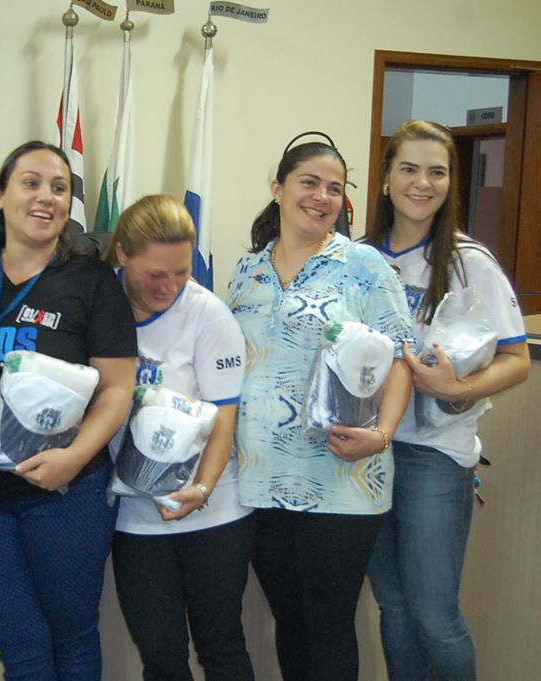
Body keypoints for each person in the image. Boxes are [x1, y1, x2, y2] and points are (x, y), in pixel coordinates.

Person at [0, 140, 137, 681]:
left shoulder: (92, 282)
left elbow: (118, 389)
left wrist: (74, 458)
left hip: (69, 494)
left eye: (60, 188)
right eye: (31, 183)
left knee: (72, 641)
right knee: (21, 650)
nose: (47, 196)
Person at [226, 133, 415, 681]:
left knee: (328, 624)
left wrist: (382, 434)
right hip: (260, 476)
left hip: (343, 475)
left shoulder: (365, 265)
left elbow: (402, 358)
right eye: (309, 183)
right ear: (278, 189)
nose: (322, 197)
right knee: (290, 621)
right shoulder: (247, 270)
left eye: (335, 188)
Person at [364, 120, 529, 681]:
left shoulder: (468, 261)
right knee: (395, 608)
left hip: (434, 457)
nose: (422, 183)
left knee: (436, 618)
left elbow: (516, 358)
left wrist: (456, 388)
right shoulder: (359, 258)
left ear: (451, 182)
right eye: (409, 168)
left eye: (437, 172)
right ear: (386, 178)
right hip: (367, 455)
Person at [104, 194, 255, 681]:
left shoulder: (208, 315)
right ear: (123, 255)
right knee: (161, 656)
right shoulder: (99, 304)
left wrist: (203, 488)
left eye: (181, 272)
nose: (169, 287)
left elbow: (225, 417)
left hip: (214, 510)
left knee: (221, 646)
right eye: (155, 275)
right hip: (136, 515)